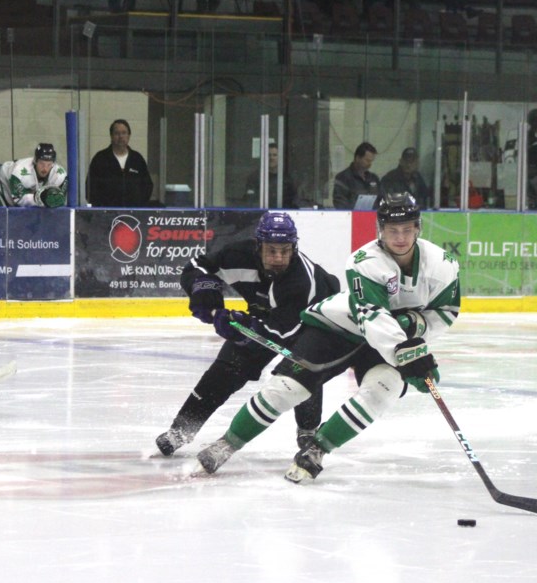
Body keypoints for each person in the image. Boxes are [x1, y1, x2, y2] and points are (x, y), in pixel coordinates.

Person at [194, 193, 461, 482]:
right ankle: (228, 443)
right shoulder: (364, 261)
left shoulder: (442, 264)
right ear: (380, 230)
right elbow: (372, 316)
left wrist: (416, 330)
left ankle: (317, 450)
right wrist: (406, 351)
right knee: (288, 388)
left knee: (385, 388)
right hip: (338, 327)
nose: (400, 237)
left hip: (388, 339)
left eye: (408, 229)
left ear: (418, 228)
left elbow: (446, 311)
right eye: (392, 230)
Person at [155, 211, 341, 457]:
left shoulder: (302, 281)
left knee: (301, 370)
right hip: (264, 316)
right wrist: (206, 296)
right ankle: (181, 430)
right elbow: (199, 267)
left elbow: (282, 332)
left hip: (310, 323)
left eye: (285, 251)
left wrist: (244, 328)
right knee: (225, 370)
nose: (278, 258)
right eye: (272, 250)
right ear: (258, 246)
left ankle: (308, 428)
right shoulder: (238, 255)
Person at [87, 119, 153, 207]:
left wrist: (139, 204)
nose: (121, 136)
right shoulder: (100, 159)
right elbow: (90, 187)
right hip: (106, 213)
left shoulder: (137, 159)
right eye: (117, 133)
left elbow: (147, 186)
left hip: (133, 212)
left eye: (124, 133)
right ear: (111, 136)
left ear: (129, 136)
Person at [0, 142, 68, 207]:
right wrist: (41, 198)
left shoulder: (60, 175)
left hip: (25, 192)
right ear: (35, 161)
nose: (45, 169)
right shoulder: (20, 172)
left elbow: (59, 200)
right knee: (1, 219)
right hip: (2, 185)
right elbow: (19, 200)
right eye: (42, 164)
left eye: (49, 164)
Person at [243, 143, 298, 207]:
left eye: (274, 155)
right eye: (269, 155)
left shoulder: (287, 179)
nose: (271, 158)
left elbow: (294, 201)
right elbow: (250, 201)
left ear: (280, 158)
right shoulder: (255, 178)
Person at [332, 142, 380, 209]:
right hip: (351, 217)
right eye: (367, 160)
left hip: (373, 217)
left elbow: (381, 200)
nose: (370, 164)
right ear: (357, 158)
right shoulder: (343, 178)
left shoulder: (373, 178)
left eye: (371, 161)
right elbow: (340, 204)